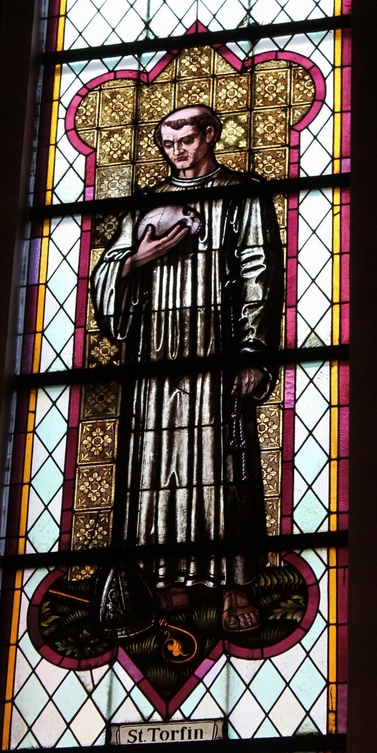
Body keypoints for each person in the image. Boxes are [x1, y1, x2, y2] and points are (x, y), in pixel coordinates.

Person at [92, 104, 283, 632]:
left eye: (187, 139)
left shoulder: (242, 194)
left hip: (216, 347)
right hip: (156, 352)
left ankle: (234, 585)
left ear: (211, 135)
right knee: (158, 462)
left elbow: (259, 273)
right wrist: (140, 258)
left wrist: (252, 351)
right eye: (168, 142)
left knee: (221, 460)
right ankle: (166, 578)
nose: (176, 151)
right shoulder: (149, 201)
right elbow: (110, 270)